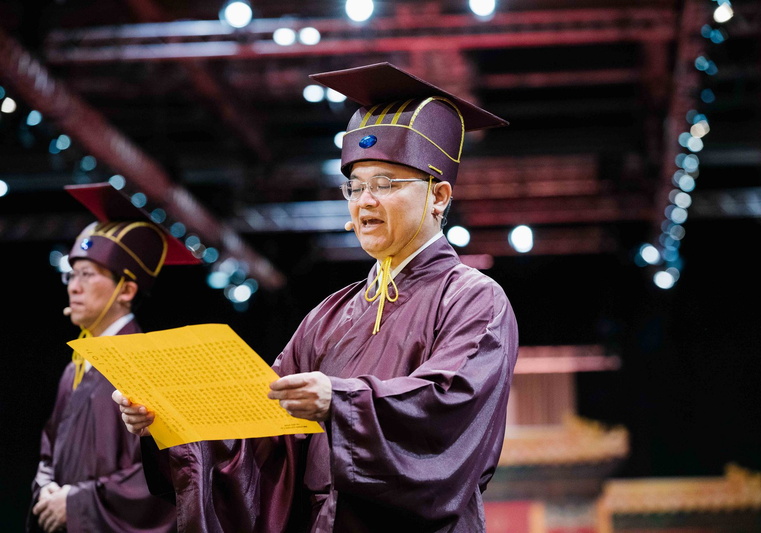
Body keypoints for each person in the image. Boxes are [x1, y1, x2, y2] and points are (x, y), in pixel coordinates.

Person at [115, 62, 519, 532]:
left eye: (385, 185)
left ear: (439, 195)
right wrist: (169, 418)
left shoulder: (474, 300)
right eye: (356, 186)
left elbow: (449, 410)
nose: (364, 201)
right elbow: (261, 431)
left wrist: (340, 403)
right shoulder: (331, 314)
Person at [28, 183, 200, 533]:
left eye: (87, 275)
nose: (73, 287)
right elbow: (50, 447)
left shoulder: (150, 364)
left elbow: (166, 471)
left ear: (126, 289)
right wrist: (46, 489)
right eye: (71, 274)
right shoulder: (74, 367)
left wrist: (78, 503)